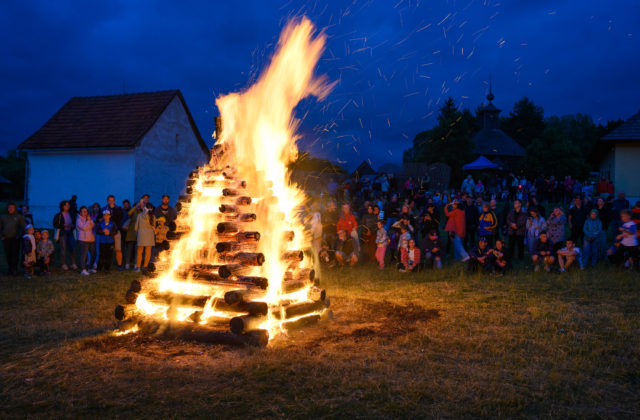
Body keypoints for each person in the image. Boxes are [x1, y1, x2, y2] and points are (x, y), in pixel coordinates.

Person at [0, 202, 26, 276]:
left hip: (15, 238)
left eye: (12, 207)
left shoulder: (19, 217)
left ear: (15, 208)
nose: (10, 209)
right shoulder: (3, 217)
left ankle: (14, 269)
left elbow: (23, 227)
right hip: (6, 238)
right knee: (8, 254)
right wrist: (2, 235)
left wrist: (20, 234)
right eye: (9, 207)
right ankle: (10, 269)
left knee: (15, 254)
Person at [53, 200, 77, 270]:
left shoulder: (71, 214)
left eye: (68, 205)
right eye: (66, 205)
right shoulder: (59, 215)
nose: (68, 206)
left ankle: (73, 263)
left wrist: (72, 225)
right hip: (63, 233)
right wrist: (64, 225)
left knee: (73, 247)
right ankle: (63, 264)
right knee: (63, 249)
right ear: (62, 206)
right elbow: (55, 224)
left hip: (70, 232)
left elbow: (74, 223)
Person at [103, 195, 125, 270]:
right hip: (107, 233)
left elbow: (120, 217)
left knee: (118, 249)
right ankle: (107, 265)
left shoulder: (118, 208)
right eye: (109, 200)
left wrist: (113, 209)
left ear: (114, 201)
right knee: (109, 249)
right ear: (107, 201)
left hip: (115, 232)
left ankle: (119, 265)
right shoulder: (104, 209)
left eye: (112, 200)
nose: (111, 201)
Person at [135, 202, 156, 273]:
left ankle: (138, 267)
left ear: (145, 208)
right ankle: (145, 266)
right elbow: (154, 226)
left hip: (141, 234)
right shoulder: (153, 216)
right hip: (149, 235)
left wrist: (137, 233)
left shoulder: (140, 215)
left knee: (139, 252)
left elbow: (136, 227)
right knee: (148, 252)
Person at [76, 206, 96, 275]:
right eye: (84, 211)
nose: (85, 213)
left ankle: (90, 268)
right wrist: (88, 222)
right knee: (84, 255)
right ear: (80, 212)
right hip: (83, 240)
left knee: (94, 254)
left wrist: (89, 221)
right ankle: (83, 269)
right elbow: (84, 228)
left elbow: (93, 225)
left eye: (86, 211)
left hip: (91, 239)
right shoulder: (78, 220)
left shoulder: (89, 218)